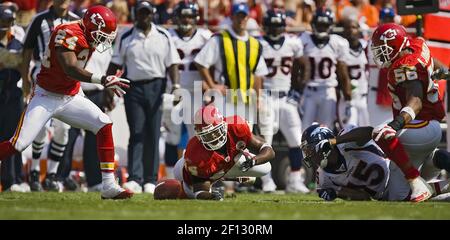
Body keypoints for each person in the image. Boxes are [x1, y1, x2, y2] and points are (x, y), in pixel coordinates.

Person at [0, 5, 133, 199]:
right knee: (18, 144)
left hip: (71, 95)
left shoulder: (89, 32)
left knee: (104, 124)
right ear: (90, 26)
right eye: (100, 34)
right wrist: (103, 79)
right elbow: (69, 68)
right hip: (46, 96)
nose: (102, 40)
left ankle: (108, 185)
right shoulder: (67, 31)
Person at [106, 0, 181, 194]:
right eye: (141, 13)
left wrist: (177, 86)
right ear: (135, 14)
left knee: (153, 132)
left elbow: (172, 64)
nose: (144, 16)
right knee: (137, 132)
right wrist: (108, 86)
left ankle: (150, 178)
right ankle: (135, 178)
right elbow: (115, 64)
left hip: (157, 85)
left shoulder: (163, 35)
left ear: (153, 14)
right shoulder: (126, 36)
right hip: (134, 87)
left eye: (147, 13)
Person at [370, 23, 450, 202]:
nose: (380, 54)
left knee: (380, 133)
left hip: (419, 127)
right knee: (411, 177)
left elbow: (416, 102)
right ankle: (436, 167)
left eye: (383, 49)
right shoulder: (417, 44)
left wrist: (395, 125)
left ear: (396, 45)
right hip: (431, 127)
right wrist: (442, 72)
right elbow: (430, 60)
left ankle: (416, 182)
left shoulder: (404, 67)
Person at [301, 123, 450, 201]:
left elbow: (369, 132)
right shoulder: (323, 180)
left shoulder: (344, 142)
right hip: (386, 191)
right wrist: (338, 192)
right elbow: (365, 198)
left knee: (437, 158)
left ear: (322, 143)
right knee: (402, 196)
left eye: (310, 150)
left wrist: (334, 141)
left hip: (396, 168)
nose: (309, 156)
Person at [20, 0, 79, 192]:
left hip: (67, 79)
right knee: (40, 126)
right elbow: (27, 50)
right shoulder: (39, 20)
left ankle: (52, 174)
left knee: (63, 128)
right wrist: (26, 80)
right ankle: (35, 171)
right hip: (42, 75)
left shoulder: (77, 21)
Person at [158, 105, 275, 200]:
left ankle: (227, 176)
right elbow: (200, 191)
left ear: (224, 125)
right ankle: (219, 176)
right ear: (199, 136)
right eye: (208, 135)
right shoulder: (196, 155)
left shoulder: (236, 127)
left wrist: (254, 160)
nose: (214, 137)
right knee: (180, 186)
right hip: (194, 171)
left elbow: (267, 149)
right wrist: (211, 196)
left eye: (216, 131)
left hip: (229, 163)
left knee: (265, 167)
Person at [258, 9, 309, 193]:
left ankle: (295, 180)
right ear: (265, 26)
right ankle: (266, 180)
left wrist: (298, 90)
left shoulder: (292, 43)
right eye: (272, 26)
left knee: (296, 139)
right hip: (266, 96)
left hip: (286, 97)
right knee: (266, 143)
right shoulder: (259, 44)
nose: (275, 30)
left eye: (278, 26)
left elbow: (304, 65)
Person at [194, 2, 268, 129]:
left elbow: (257, 75)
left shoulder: (255, 44)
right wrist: (212, 85)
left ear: (248, 18)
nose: (241, 20)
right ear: (231, 17)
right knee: (223, 138)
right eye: (237, 16)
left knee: (244, 140)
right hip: (224, 99)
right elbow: (201, 62)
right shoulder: (220, 39)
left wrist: (258, 98)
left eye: (243, 16)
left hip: (246, 100)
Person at [163, 1, 212, 176]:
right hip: (173, 92)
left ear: (196, 18)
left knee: (198, 137)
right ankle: (170, 177)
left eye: (190, 16)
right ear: (176, 17)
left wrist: (211, 84)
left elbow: (213, 62)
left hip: (197, 93)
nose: (187, 19)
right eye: (183, 16)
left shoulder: (206, 36)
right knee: (172, 136)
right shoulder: (168, 35)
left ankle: (196, 174)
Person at [299, 8, 352, 129]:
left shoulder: (337, 42)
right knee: (304, 129)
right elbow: (296, 67)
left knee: (326, 129)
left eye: (324, 25)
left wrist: (347, 97)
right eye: (319, 25)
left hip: (328, 91)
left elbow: (343, 72)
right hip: (308, 92)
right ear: (313, 25)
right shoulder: (304, 40)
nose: (322, 28)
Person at [0, 5, 29, 192]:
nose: (5, 25)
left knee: (14, 138)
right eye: (3, 20)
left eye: (8, 21)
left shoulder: (18, 44)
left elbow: (24, 67)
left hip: (13, 94)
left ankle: (13, 179)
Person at [337, 18, 369, 127]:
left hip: (364, 96)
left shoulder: (366, 47)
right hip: (347, 98)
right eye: (347, 28)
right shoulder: (340, 48)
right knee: (348, 132)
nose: (351, 30)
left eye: (354, 27)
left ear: (359, 30)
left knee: (368, 132)